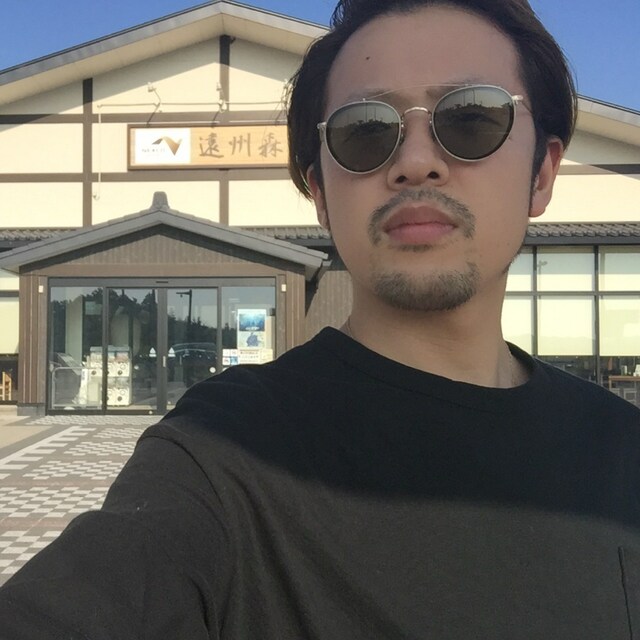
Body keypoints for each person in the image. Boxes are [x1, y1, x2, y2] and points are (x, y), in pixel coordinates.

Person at [2, 0, 640, 637]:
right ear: (321, 196)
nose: (416, 161)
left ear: (542, 173)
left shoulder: (621, 450)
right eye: (365, 130)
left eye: (471, 118)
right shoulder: (223, 455)